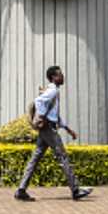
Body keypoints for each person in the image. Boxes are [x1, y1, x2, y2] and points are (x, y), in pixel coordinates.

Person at [14, 65, 93, 202]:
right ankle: (75, 190)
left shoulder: (53, 91)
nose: (62, 77)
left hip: (46, 129)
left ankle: (21, 190)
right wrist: (42, 117)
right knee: (63, 158)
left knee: (35, 159)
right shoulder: (53, 91)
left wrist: (67, 129)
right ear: (53, 77)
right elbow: (39, 101)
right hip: (49, 130)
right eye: (59, 75)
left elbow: (54, 114)